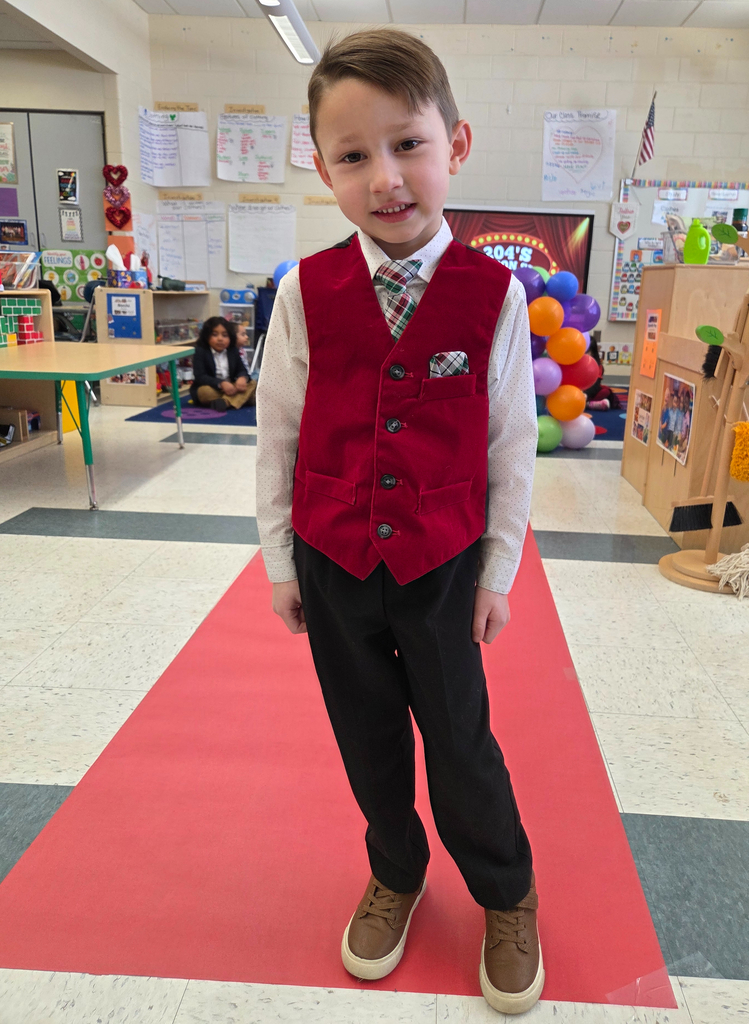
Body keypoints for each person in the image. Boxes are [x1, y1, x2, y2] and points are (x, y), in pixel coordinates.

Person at [256, 29, 541, 1016]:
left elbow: (509, 447)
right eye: (351, 154)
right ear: (322, 167)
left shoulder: (492, 297)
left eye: (406, 143)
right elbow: (275, 434)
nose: (384, 176)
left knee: (458, 739)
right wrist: (278, 562)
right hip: (332, 559)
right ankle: (395, 869)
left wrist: (496, 572)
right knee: (366, 735)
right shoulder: (302, 293)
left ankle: (505, 890)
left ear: (453, 144)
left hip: (443, 562)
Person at [190, 316, 255, 411]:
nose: (220, 339)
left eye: (224, 336)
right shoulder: (201, 351)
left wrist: (242, 378)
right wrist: (221, 384)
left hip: (232, 386)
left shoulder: (232, 350)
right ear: (207, 336)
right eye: (215, 335)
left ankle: (226, 402)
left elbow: (242, 370)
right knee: (204, 392)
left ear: (230, 337)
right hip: (214, 388)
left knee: (253, 383)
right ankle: (243, 399)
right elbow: (200, 376)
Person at [585, 338, 621, 411]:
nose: (585, 354)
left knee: (605, 392)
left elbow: (595, 385)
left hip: (589, 392)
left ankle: (587, 404)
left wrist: (586, 394)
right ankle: (589, 404)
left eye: (587, 352)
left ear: (593, 352)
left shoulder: (597, 366)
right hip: (576, 390)